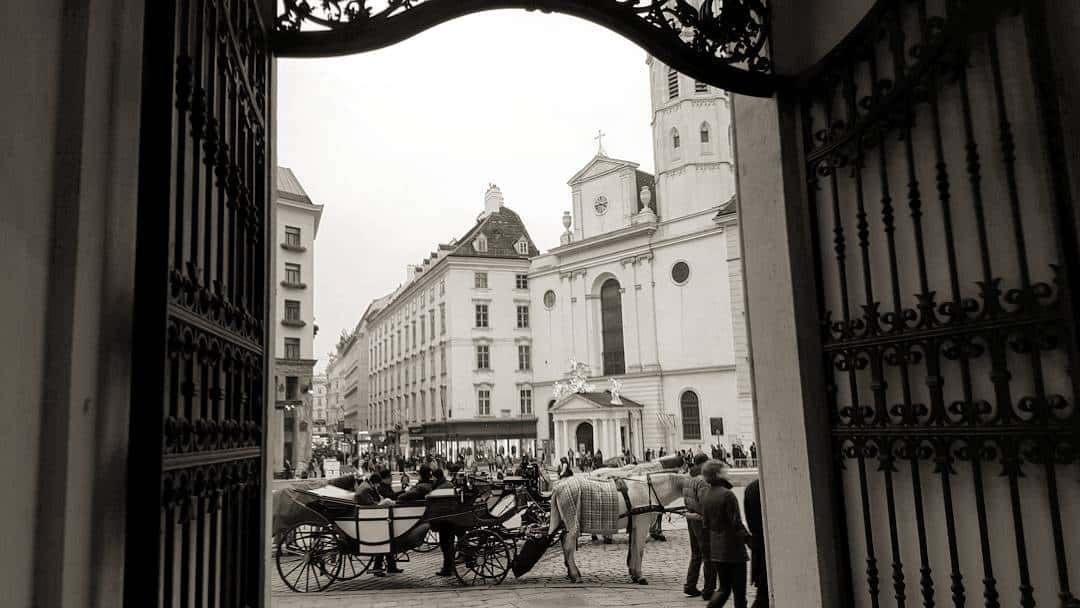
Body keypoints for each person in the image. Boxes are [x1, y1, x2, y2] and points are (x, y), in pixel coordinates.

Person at [701, 460, 749, 608]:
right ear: (717, 474)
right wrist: (749, 540)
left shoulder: (707, 494)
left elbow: (706, 524)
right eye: (724, 471)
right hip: (733, 549)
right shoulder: (727, 495)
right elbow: (736, 523)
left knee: (723, 588)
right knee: (739, 592)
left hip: (717, 549)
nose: (727, 473)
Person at [683, 453, 714, 598]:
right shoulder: (702, 481)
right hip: (701, 520)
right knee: (708, 555)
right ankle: (709, 590)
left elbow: (686, 499)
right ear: (703, 463)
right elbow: (705, 503)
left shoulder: (688, 478)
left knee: (696, 554)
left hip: (690, 518)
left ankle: (690, 585)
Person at [744, 479, 767, 607]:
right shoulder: (762, 487)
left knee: (763, 594)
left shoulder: (751, 488)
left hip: (758, 543)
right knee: (763, 597)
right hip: (765, 545)